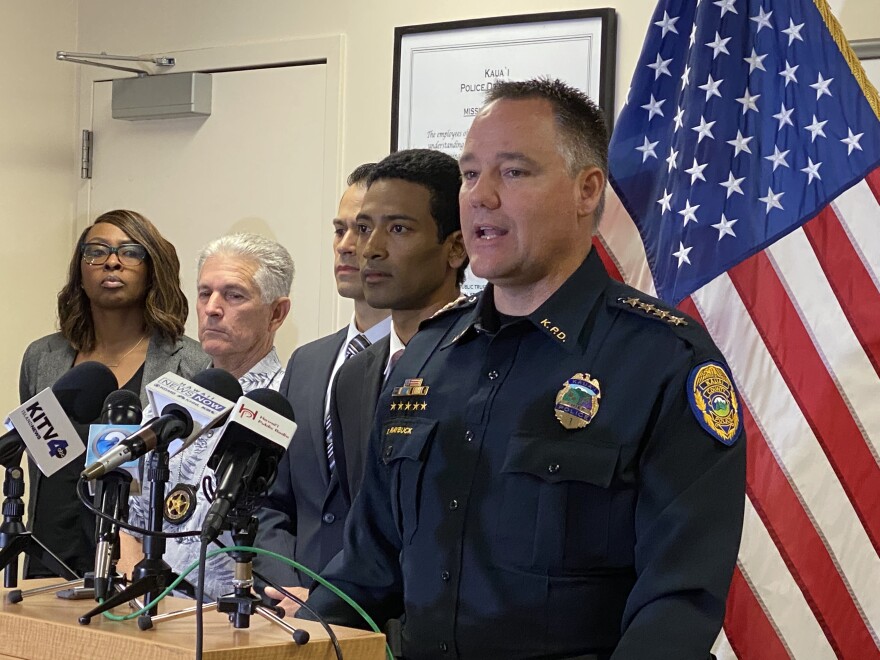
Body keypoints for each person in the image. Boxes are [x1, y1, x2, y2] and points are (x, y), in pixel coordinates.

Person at [299, 79, 747, 659]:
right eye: (469, 174)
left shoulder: (663, 360)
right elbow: (364, 572)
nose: (481, 196)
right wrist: (294, 643)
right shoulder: (430, 357)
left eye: (512, 173)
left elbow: (677, 605)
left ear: (587, 190)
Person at [264, 148, 466, 608]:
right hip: (350, 619)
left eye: (397, 229)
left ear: (456, 247)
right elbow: (367, 535)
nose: (367, 248)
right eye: (361, 228)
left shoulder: (485, 360)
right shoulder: (355, 374)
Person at [19, 209, 208, 578]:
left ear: (154, 268)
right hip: (47, 557)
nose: (112, 262)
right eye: (97, 251)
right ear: (80, 270)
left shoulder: (191, 363)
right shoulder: (42, 357)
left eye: (130, 252)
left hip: (132, 564)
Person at [120, 233, 293, 599]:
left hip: (238, 620)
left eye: (234, 295)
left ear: (276, 313)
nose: (213, 307)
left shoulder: (288, 404)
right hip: (147, 610)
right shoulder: (168, 403)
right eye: (204, 293)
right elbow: (124, 515)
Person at [254, 164, 392, 591]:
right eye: (339, 230)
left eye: (364, 230)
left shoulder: (431, 360)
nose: (347, 246)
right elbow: (271, 501)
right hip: (292, 608)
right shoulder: (307, 364)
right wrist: (283, 584)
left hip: (379, 616)